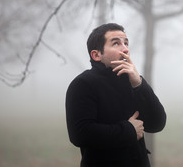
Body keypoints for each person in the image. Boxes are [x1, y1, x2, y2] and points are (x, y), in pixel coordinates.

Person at [65, 23, 166, 167]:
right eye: (116, 43)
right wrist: (129, 130)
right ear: (96, 55)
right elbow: (80, 134)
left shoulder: (132, 81)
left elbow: (157, 123)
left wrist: (139, 84)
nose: (125, 49)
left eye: (126, 43)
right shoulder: (83, 84)